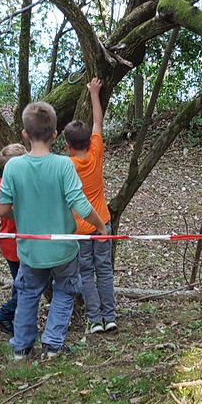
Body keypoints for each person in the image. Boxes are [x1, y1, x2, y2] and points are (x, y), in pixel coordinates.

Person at [0, 101, 108, 359]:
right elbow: (81, 205)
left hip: (32, 249)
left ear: (25, 134)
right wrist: (101, 226)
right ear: (55, 134)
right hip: (62, 248)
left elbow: (2, 209)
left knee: (27, 294)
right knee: (65, 292)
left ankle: (22, 347)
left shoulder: (13, 166)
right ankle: (52, 344)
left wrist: (22, 215)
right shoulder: (63, 165)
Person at [64, 77, 117, 334]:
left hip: (81, 228)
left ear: (68, 146)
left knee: (86, 272)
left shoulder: (67, 166)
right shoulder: (96, 152)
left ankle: (95, 320)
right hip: (102, 222)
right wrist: (94, 93)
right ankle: (110, 317)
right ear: (88, 141)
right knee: (104, 270)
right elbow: (98, 122)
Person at [0, 142, 29, 337]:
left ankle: (13, 318)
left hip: (10, 243)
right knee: (26, 286)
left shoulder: (1, 183)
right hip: (19, 244)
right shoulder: (25, 183)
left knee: (20, 283)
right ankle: (3, 314)